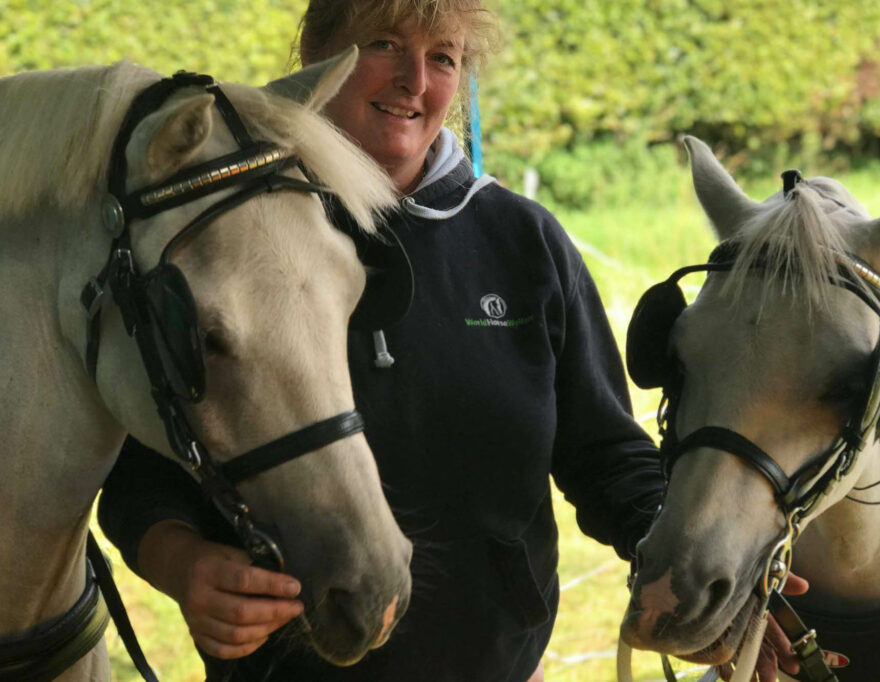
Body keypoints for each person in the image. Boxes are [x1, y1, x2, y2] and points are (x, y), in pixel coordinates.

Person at [98, 1, 667, 680]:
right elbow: (141, 474)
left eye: (444, 57)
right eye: (385, 43)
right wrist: (183, 563)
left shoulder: (525, 243)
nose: (415, 81)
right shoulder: (233, 240)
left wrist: (694, 562)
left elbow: (606, 455)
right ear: (317, 53)